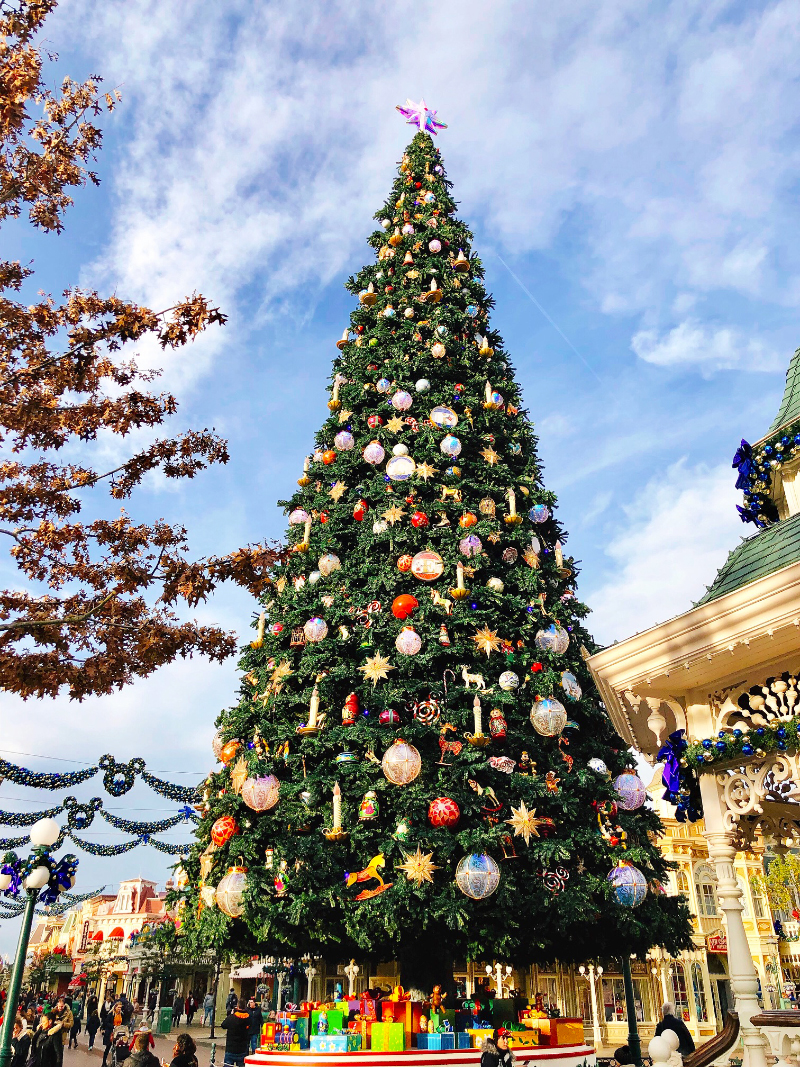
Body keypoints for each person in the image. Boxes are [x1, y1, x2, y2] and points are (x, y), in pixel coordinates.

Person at [221, 997, 252, 1067]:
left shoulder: (232, 1017)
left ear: (237, 1006)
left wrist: (231, 1014)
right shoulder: (248, 1018)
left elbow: (223, 1025)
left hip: (231, 1048)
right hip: (242, 1049)